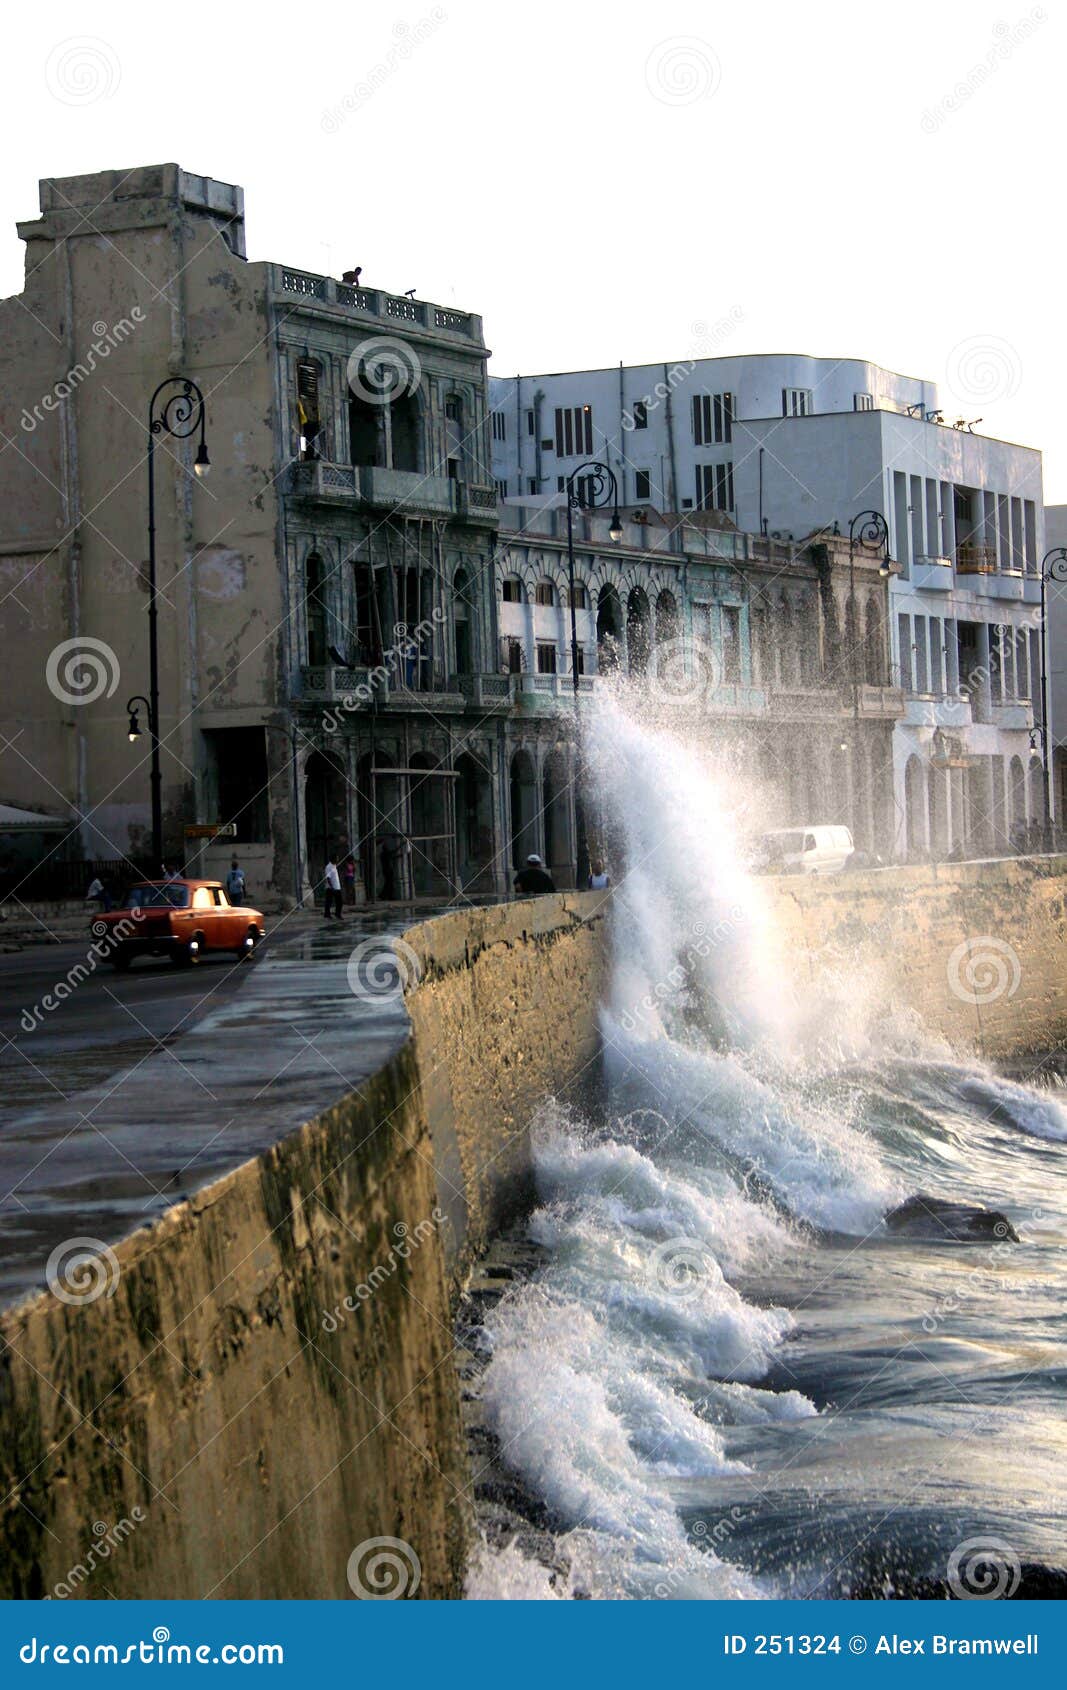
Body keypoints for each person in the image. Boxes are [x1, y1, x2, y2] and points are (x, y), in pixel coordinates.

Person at [323, 853, 343, 919]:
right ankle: (327, 914)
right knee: (329, 901)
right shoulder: (328, 866)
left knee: (339, 902)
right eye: (336, 858)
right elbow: (328, 878)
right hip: (331, 887)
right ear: (333, 859)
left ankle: (337, 914)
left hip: (337, 886)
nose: (337, 859)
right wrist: (331, 887)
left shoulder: (334, 866)